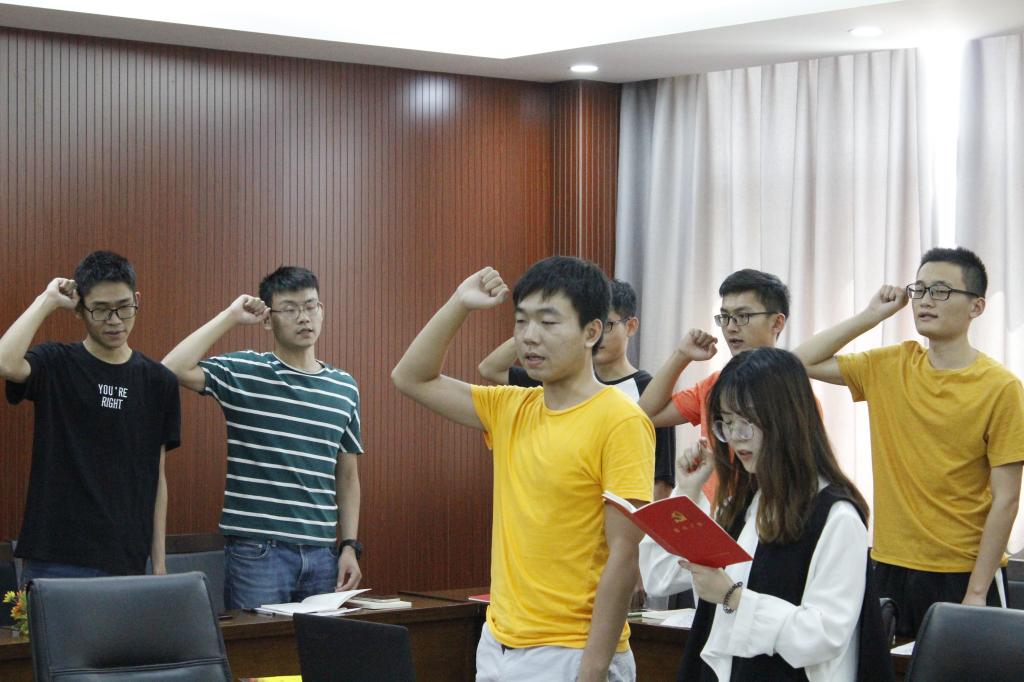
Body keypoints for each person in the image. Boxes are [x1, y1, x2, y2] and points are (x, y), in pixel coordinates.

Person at [392, 257, 654, 682]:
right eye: (521, 321)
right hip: (498, 643)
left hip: (572, 650)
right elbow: (411, 377)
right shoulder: (512, 406)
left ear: (591, 332)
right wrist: (460, 302)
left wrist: (592, 669)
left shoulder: (621, 420)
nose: (529, 336)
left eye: (548, 322)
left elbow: (624, 555)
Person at [793, 246, 1024, 636]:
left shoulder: (1001, 387)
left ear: (976, 306)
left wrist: (976, 592)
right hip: (889, 566)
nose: (925, 300)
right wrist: (871, 315)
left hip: (963, 572)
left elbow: (1007, 499)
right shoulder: (890, 365)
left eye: (941, 291)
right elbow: (798, 362)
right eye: (919, 289)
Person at [644, 347, 891, 682]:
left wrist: (733, 597)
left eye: (745, 423)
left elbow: (824, 636)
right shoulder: (743, 504)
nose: (735, 438)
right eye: (727, 423)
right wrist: (687, 492)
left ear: (786, 419)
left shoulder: (837, 516)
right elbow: (659, 578)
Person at [162, 266, 363, 609]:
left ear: (322, 310)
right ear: (268, 320)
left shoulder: (343, 387)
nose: (304, 317)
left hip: (322, 552)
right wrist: (230, 316)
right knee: (259, 643)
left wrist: (349, 545)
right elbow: (171, 368)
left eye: (310, 306)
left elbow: (347, 476)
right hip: (258, 551)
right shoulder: (245, 371)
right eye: (290, 309)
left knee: (321, 643)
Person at [0, 251, 180, 583]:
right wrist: (48, 299)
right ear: (79, 309)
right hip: (55, 557)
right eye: (100, 309)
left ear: (137, 300)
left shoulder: (159, 381)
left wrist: (159, 564)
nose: (114, 320)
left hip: (126, 559)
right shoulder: (55, 363)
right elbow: (5, 362)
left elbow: (158, 476)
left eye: (124, 307)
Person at [478, 278, 676, 499]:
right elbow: (490, 369)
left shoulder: (650, 390)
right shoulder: (562, 380)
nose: (597, 335)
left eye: (607, 325)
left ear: (630, 326)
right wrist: (535, 328)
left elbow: (662, 481)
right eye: (588, 325)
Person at [637, 269, 789, 500]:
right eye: (725, 317)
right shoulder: (714, 385)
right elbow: (645, 414)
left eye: (743, 316)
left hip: (766, 514)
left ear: (777, 323)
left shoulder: (792, 391)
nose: (731, 327)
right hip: (714, 515)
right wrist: (681, 355)